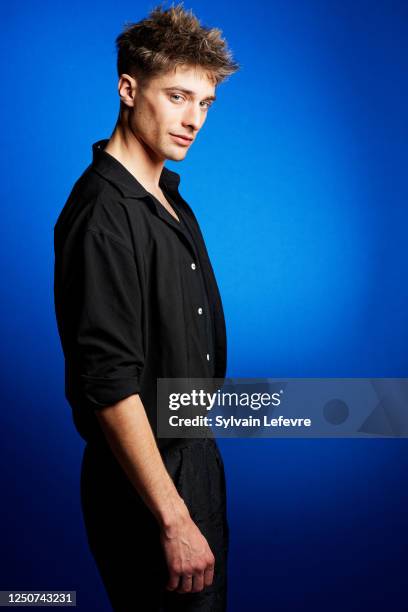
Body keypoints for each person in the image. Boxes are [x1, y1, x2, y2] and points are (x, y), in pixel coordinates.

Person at [53, 4, 239, 611]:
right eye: (178, 97)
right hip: (149, 485)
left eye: (205, 103)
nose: (194, 120)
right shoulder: (102, 216)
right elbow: (108, 383)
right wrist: (174, 518)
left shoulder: (169, 200)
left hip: (192, 461)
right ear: (128, 89)